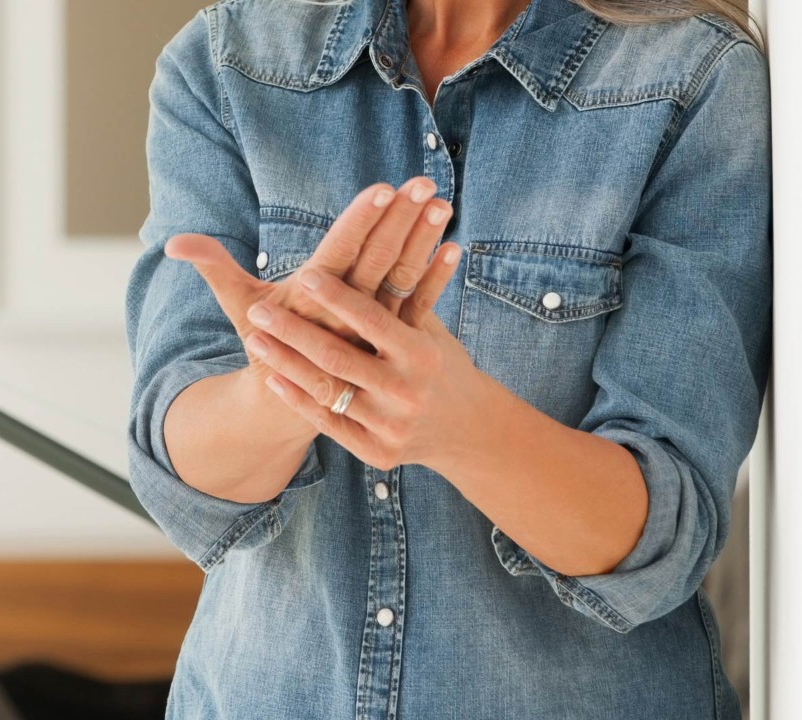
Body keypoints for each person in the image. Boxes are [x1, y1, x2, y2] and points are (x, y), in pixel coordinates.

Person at [124, 0, 771, 717]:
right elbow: (180, 477)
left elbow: (667, 537)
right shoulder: (226, 62)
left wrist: (463, 427)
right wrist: (291, 375)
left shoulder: (693, 77)